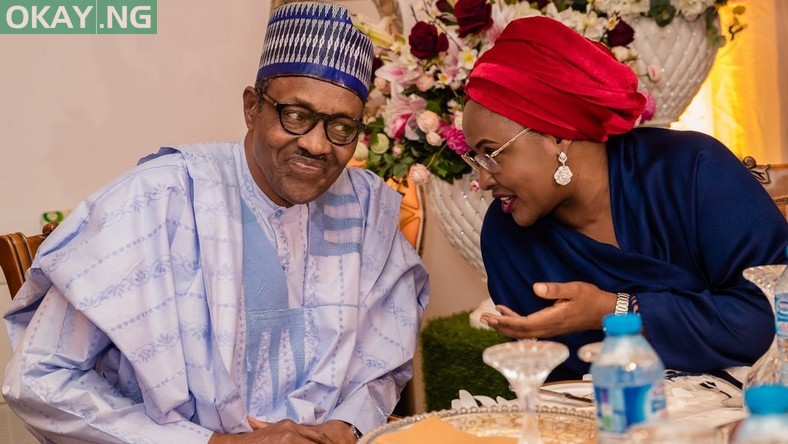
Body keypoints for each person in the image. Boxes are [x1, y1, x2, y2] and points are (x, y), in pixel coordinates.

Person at [2, 2, 428, 443]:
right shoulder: (155, 201)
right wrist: (215, 443)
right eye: (297, 116)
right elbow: (38, 379)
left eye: (341, 127)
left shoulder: (364, 207)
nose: (317, 145)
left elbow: (384, 359)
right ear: (252, 107)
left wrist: (346, 426)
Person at [463, 16, 787, 380]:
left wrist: (616, 310)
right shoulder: (505, 234)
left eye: (491, 153)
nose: (483, 179)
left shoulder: (691, 169)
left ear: (557, 136)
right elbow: (554, 383)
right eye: (475, 159)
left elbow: (772, 315)